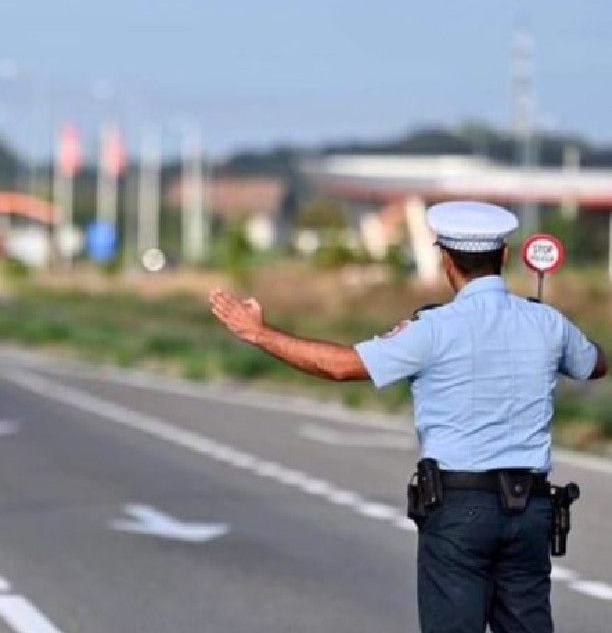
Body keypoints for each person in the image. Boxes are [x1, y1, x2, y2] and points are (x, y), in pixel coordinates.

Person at [209, 200, 607, 633]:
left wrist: (259, 333)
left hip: (460, 507)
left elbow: (340, 366)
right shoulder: (547, 321)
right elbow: (596, 364)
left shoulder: (432, 330)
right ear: (506, 256)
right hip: (530, 507)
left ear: (446, 260)